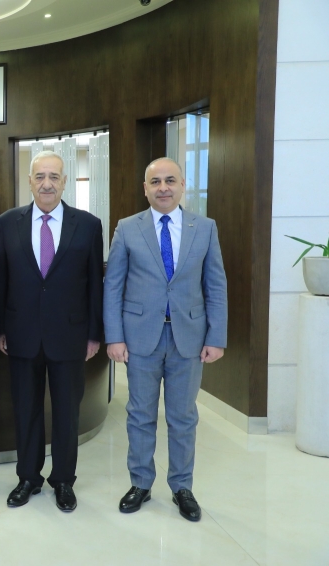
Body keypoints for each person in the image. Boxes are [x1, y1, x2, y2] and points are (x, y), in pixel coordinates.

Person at [103, 157, 227, 522]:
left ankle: (182, 487)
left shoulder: (205, 228)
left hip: (189, 338)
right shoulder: (127, 228)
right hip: (140, 338)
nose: (163, 188)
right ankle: (140, 483)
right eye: (155, 182)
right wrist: (114, 337)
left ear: (182, 185)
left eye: (170, 180)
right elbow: (113, 287)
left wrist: (216, 336)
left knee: (183, 416)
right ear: (145, 188)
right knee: (140, 414)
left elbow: (216, 285)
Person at [0, 150, 103, 512]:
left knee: (66, 413)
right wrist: (0, 329)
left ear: (64, 182)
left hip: (70, 335)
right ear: (29, 181)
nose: (46, 184)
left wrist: (94, 333)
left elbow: (95, 284)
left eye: (54, 176)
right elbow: (0, 281)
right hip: (21, 334)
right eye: (40, 176)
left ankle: (63, 480)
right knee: (26, 410)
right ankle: (28, 477)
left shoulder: (87, 225)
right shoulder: (7, 223)